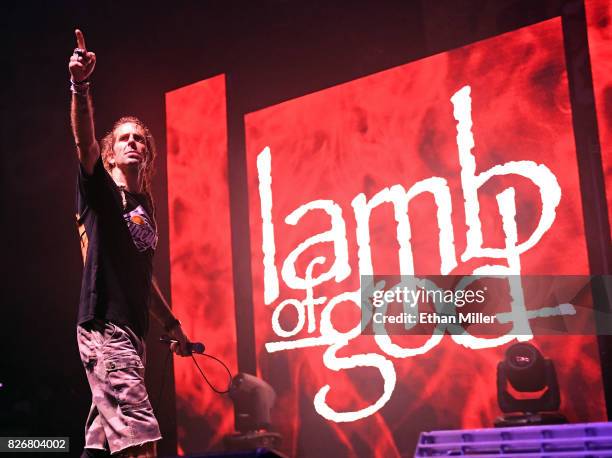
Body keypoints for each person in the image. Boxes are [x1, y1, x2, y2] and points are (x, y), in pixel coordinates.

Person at [69, 29, 192, 458]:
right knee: (142, 444)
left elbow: (144, 276)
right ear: (111, 155)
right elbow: (83, 140)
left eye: (139, 138)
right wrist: (80, 86)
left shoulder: (145, 209)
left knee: (100, 448)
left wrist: (171, 324)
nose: (133, 142)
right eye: (124, 138)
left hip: (132, 337)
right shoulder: (101, 192)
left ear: (148, 154)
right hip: (107, 328)